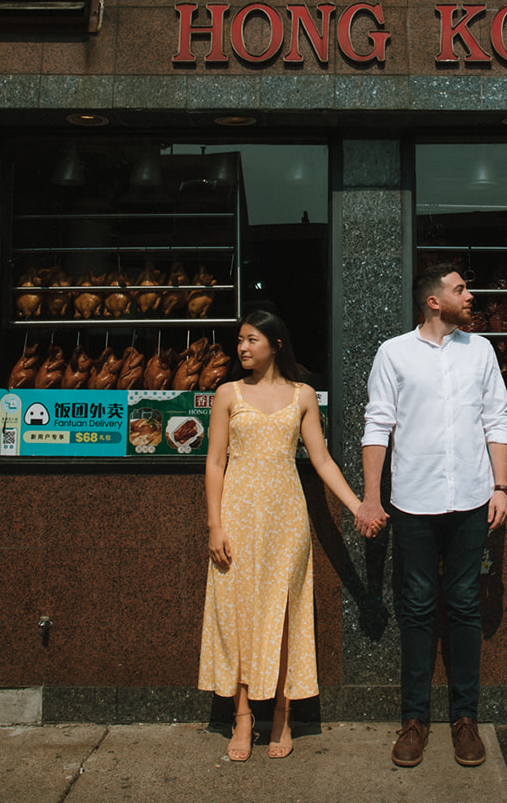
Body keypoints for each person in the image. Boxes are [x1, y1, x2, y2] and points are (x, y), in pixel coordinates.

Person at [199, 310, 378, 762]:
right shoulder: (226, 393)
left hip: (286, 519)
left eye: (252, 340)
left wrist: (358, 505)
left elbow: (321, 461)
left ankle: (281, 715)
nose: (242, 348)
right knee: (234, 612)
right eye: (239, 340)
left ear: (276, 344)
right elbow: (214, 462)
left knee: (284, 610)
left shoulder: (303, 396)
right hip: (237, 514)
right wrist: (215, 524)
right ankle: (241, 718)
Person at [356, 263, 507, 769]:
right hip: (414, 505)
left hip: (471, 500)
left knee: (466, 604)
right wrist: (372, 498)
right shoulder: (394, 353)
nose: (470, 295)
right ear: (433, 300)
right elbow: (377, 426)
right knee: (418, 606)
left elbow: (497, 418)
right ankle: (414, 721)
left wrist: (500, 486)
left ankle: (465, 720)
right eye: (460, 289)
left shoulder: (481, 350)